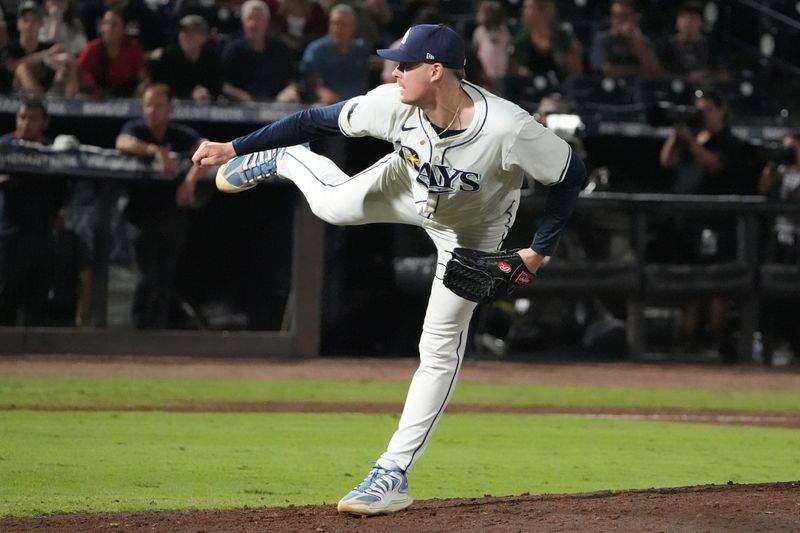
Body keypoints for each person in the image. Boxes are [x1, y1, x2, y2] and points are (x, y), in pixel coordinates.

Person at [191, 23, 585, 515]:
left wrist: (535, 252)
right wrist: (237, 147)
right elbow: (317, 118)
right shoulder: (392, 103)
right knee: (331, 207)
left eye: (406, 63)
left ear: (436, 71)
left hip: (470, 236)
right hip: (406, 186)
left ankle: (391, 473)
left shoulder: (508, 128)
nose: (395, 70)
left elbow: (571, 175)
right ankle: (286, 160)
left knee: (438, 348)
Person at [657, 89, 749, 354]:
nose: (701, 114)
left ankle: (719, 340)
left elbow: (715, 166)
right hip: (687, 222)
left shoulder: (730, 141)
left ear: (721, 110)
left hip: (715, 222)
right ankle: (687, 339)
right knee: (688, 284)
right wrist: (678, 135)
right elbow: (666, 161)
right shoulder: (691, 137)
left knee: (716, 283)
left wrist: (692, 142)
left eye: (706, 109)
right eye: (699, 108)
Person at [115, 83, 208, 329]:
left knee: (166, 278)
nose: (152, 111)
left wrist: (189, 182)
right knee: (147, 277)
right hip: (140, 214)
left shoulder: (179, 134)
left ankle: (158, 334)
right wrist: (155, 150)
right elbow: (122, 142)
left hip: (172, 214)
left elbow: (207, 151)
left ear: (170, 109)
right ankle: (139, 331)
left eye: (158, 106)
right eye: (147, 105)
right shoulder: (137, 129)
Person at [0, 100, 65, 325]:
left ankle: (36, 358)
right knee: (6, 296)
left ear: (45, 123)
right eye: (22, 117)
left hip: (42, 235)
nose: (26, 123)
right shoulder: (5, 146)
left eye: (33, 118)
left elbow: (62, 189)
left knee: (37, 300)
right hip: (9, 234)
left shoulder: (52, 151)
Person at [221, 0, 299, 103]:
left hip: (277, 107)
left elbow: (292, 80)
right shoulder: (233, 50)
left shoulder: (280, 49)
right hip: (241, 109)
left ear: (267, 22)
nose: (253, 24)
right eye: (250, 18)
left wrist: (289, 91)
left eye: (258, 18)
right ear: (243, 22)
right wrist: (242, 96)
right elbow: (223, 84)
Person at [300, 3, 372, 105]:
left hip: (357, 105)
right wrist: (331, 98)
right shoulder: (316, 50)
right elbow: (313, 83)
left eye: (343, 24)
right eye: (334, 23)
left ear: (353, 27)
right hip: (325, 106)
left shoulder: (360, 51)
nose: (337, 29)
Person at [7, 0, 80, 97]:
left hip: (50, 92)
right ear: (18, 24)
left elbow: (69, 61)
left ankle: (71, 106)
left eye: (35, 20)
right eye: (26, 20)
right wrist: (44, 55)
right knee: (22, 69)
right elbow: (12, 66)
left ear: (41, 24)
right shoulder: (10, 49)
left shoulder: (48, 47)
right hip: (18, 94)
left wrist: (64, 60)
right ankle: (39, 102)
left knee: (67, 66)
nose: (30, 25)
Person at [148, 14, 224, 103]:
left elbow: (217, 89)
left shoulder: (212, 59)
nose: (184, 36)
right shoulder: (168, 57)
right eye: (182, 32)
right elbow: (159, 88)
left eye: (190, 33)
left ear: (203, 38)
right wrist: (188, 98)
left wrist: (206, 95)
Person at [77, 8, 147, 98]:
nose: (109, 28)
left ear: (124, 29)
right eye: (106, 23)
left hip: (127, 95)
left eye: (114, 25)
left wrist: (140, 90)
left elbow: (144, 77)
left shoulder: (133, 47)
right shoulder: (92, 48)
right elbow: (80, 73)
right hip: (97, 97)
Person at [511, 0, 583, 83]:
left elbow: (576, 72)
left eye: (529, 8)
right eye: (524, 8)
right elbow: (515, 76)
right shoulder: (521, 40)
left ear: (543, 11)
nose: (523, 11)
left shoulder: (563, 36)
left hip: (563, 89)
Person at [658, 1, 727, 84]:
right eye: (684, 17)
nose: (688, 22)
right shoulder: (666, 45)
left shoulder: (710, 46)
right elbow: (658, 73)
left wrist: (706, 74)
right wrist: (685, 78)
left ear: (701, 23)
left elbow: (723, 75)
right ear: (677, 22)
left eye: (693, 18)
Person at [589, 0, 661, 79]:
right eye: (615, 16)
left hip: (638, 87)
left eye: (624, 16)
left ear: (634, 17)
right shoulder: (602, 39)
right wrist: (641, 70)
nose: (618, 20)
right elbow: (607, 70)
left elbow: (655, 70)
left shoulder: (642, 40)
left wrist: (635, 40)